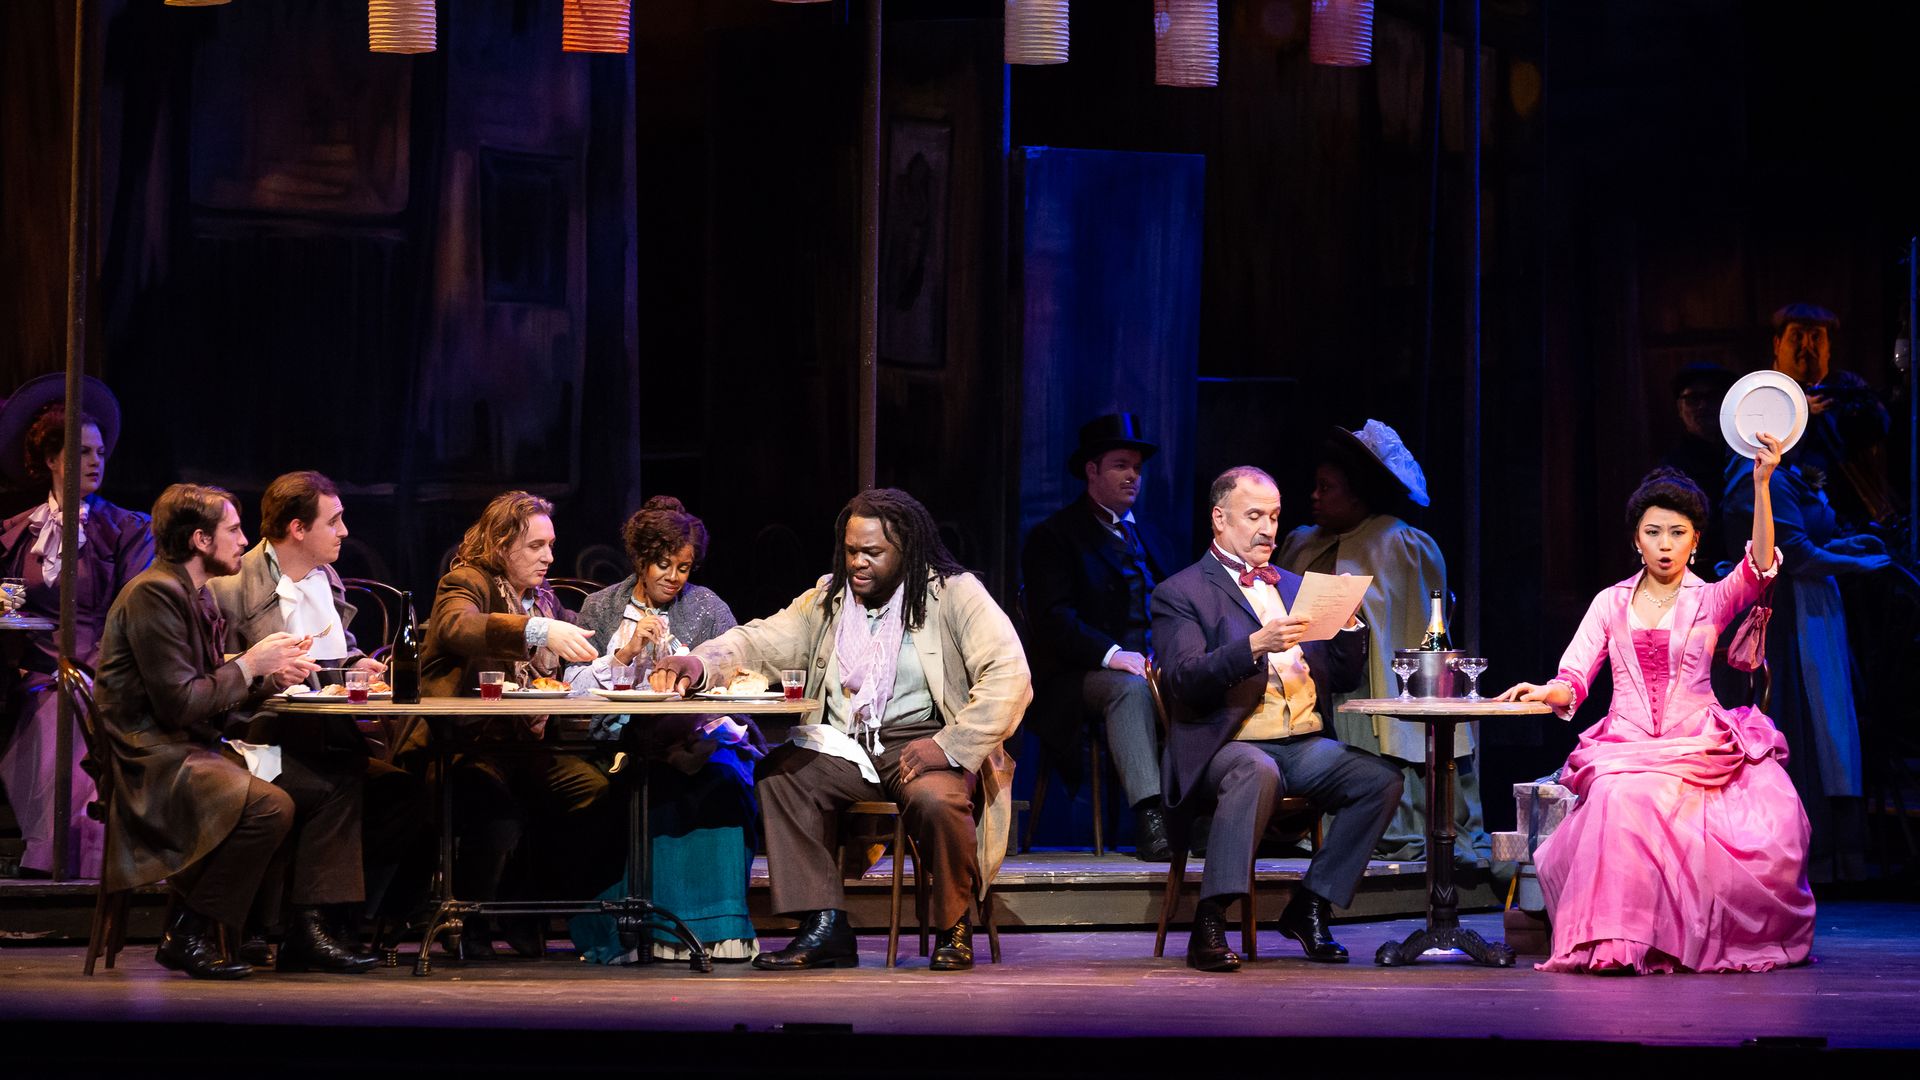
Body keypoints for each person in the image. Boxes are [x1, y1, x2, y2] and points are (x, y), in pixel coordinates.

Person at [654, 488, 1030, 972]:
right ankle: (825, 924)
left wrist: (951, 745)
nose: (858, 563)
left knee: (938, 801)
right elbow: (762, 640)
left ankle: (953, 925)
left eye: (872, 553)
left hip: (923, 741)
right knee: (781, 776)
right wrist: (700, 660)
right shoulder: (830, 598)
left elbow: (1010, 674)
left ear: (906, 550)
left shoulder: (952, 593)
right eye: (852, 551)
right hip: (845, 745)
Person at [1499, 436, 1815, 974]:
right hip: (1625, 744)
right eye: (1653, 533)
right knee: (1619, 797)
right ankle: (1614, 943)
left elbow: (1761, 567)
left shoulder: (1711, 598)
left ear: (1695, 541)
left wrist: (1762, 484)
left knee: (1654, 801)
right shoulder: (1609, 602)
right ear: (1635, 542)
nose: (1664, 545)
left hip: (1696, 743)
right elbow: (1574, 679)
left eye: (1677, 533)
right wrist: (1544, 690)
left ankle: (1665, 940)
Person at [1152, 466, 1402, 972]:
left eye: (1274, 516)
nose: (1268, 528)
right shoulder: (1180, 592)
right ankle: (1210, 919)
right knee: (1256, 770)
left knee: (1379, 780)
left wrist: (1349, 625)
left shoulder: (1294, 586)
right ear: (1219, 519)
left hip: (1303, 744)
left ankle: (1310, 903)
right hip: (1228, 744)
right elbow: (1183, 680)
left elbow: (1346, 677)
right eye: (1254, 516)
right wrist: (1253, 646)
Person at [94, 484, 331, 979]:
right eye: (233, 530)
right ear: (201, 540)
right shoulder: (153, 593)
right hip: (150, 757)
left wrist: (268, 675)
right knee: (269, 805)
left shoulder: (192, 594)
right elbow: (181, 703)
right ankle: (189, 930)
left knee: (318, 788)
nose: (244, 540)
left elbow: (208, 692)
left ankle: (287, 933)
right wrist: (249, 664)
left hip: (188, 746)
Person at [208, 471, 423, 967]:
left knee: (405, 792)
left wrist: (357, 666)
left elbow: (332, 654)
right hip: (255, 741)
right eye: (335, 520)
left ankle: (344, 919)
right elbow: (216, 680)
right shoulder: (232, 586)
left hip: (322, 734)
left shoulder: (326, 579)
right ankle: (307, 925)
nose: (345, 531)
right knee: (339, 783)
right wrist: (268, 677)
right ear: (298, 529)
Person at [565, 495, 759, 963]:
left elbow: (740, 671)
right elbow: (574, 692)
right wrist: (627, 653)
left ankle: (716, 931)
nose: (674, 577)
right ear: (640, 560)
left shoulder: (708, 608)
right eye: (663, 565)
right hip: (621, 741)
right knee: (640, 785)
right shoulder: (600, 608)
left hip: (700, 742)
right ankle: (635, 933)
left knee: (725, 783)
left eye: (684, 567)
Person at [415, 490, 610, 957]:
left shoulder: (543, 599)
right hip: (463, 744)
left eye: (550, 545)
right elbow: (456, 628)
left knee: (594, 793)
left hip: (527, 745)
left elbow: (574, 667)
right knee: (497, 810)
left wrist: (622, 656)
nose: (549, 557)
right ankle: (468, 920)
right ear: (502, 545)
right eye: (535, 546)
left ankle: (524, 906)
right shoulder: (467, 581)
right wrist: (535, 632)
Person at [1276, 421, 1481, 864]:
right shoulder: (1300, 542)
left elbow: (1418, 629)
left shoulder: (1402, 543)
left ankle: (1387, 817)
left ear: (1357, 495)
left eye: (1325, 488)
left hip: (1368, 680)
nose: (1314, 496)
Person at [0, 376, 153, 880]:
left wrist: (96, 674)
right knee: (47, 715)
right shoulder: (20, 531)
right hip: (40, 676)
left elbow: (134, 612)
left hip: (103, 676)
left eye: (100, 452)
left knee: (74, 719)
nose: (95, 462)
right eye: (81, 452)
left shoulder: (127, 529)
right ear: (51, 459)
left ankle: (73, 869)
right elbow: (9, 600)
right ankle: (50, 862)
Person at [1723, 424, 1891, 882]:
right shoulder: (1757, 475)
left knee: (1831, 721)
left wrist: (1847, 546)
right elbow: (1790, 553)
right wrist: (1858, 565)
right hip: (1789, 612)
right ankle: (1803, 856)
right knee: (1804, 716)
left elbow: (1812, 538)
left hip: (1818, 608)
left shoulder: (1794, 473)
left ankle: (1841, 854)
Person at [1021, 413, 1178, 859]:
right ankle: (1150, 819)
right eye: (1121, 465)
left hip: (1150, 667)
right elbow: (1054, 619)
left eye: (1137, 468)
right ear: (1092, 471)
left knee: (1204, 681)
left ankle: (1202, 816)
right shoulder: (1055, 536)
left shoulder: (1150, 537)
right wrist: (1112, 654)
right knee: (1130, 691)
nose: (1133, 476)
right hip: (1077, 676)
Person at [1658, 364, 1738, 580]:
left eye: (1711, 397)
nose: (1702, 406)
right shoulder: (1671, 469)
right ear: (1679, 407)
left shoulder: (1745, 455)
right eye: (1693, 399)